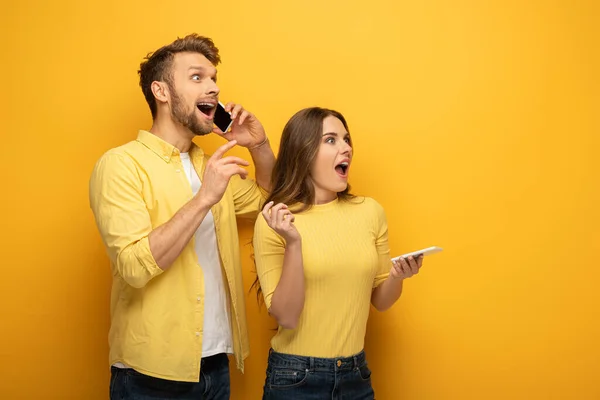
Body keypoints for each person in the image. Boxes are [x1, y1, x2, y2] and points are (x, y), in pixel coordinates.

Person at [89, 33, 275, 400]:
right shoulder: (121, 164)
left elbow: (269, 201)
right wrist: (204, 197)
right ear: (161, 91)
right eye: (197, 78)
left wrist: (259, 146)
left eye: (213, 78)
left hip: (216, 365)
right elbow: (133, 266)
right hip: (150, 375)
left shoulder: (211, 165)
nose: (214, 88)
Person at [252, 107, 424, 399]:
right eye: (331, 140)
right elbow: (287, 316)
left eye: (346, 139)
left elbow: (381, 301)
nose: (346, 148)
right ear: (303, 153)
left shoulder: (369, 212)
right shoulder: (275, 220)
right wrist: (294, 243)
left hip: (355, 374)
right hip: (295, 378)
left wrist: (397, 275)